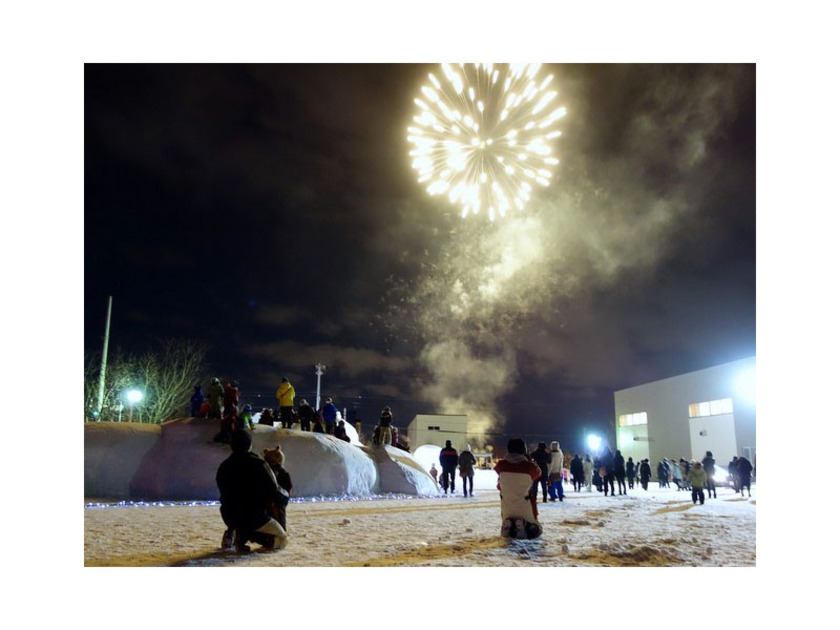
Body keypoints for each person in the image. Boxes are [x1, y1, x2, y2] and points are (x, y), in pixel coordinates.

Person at [216, 429, 287, 553]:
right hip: (256, 517)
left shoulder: (223, 467)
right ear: (249, 445)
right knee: (282, 540)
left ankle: (236, 531)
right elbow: (273, 490)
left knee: (241, 518)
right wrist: (285, 496)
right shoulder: (259, 464)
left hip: (230, 516)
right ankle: (246, 533)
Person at [495, 438, 543, 539]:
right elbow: (538, 472)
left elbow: (499, 486)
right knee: (537, 528)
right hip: (525, 506)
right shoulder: (529, 467)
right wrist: (528, 459)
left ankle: (509, 526)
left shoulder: (501, 465)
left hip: (507, 507)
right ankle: (525, 527)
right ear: (524, 450)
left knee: (509, 516)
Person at [262, 445, 293, 532]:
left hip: (264, 502)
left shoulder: (264, 471)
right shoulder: (283, 473)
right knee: (280, 519)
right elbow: (289, 488)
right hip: (279, 501)